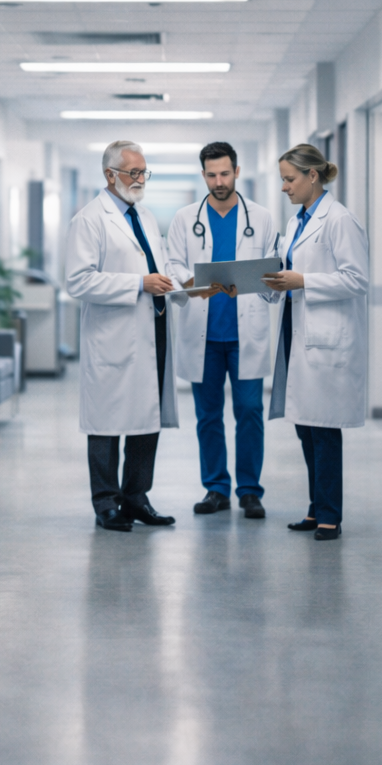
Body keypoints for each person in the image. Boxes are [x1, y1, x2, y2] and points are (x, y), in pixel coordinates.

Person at [65, 140, 186, 532]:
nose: (139, 179)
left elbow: (160, 268)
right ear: (109, 175)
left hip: (151, 329)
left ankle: (136, 498)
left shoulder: (146, 217)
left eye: (143, 172)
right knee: (105, 423)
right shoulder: (89, 219)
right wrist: (138, 284)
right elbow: (78, 281)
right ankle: (106, 504)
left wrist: (188, 284)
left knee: (145, 419)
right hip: (112, 337)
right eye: (133, 172)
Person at [261, 144, 369, 540]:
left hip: (327, 337)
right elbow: (288, 269)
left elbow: (357, 279)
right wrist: (270, 282)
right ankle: (315, 507)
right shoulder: (297, 222)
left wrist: (304, 281)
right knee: (306, 427)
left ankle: (329, 515)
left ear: (312, 176)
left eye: (289, 180)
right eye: (282, 180)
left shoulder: (340, 221)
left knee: (323, 430)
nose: (285, 188)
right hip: (298, 329)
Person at [168, 142, 277, 519]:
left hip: (246, 333)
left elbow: (272, 272)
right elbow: (173, 267)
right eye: (211, 175)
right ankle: (216, 488)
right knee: (209, 415)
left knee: (249, 411)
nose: (219, 182)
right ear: (203, 175)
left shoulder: (261, 217)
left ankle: (249, 491)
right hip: (205, 334)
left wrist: (254, 284)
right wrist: (191, 283)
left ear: (237, 171)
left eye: (225, 173)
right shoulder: (185, 218)